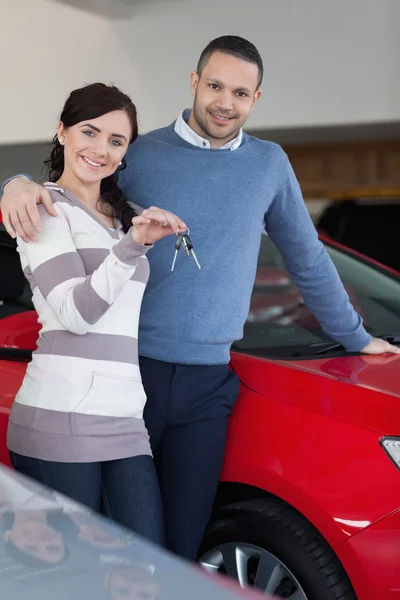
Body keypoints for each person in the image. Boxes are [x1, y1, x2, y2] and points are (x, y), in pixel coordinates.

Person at [1, 35, 399, 562]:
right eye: (214, 85)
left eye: (240, 92)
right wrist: (15, 181)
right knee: (108, 553)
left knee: (180, 550)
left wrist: (354, 337)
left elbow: (307, 257)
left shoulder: (269, 165)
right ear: (194, 82)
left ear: (255, 100)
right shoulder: (137, 152)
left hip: (208, 384)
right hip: (127, 374)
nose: (224, 102)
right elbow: (72, 192)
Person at [3, 82, 187, 547]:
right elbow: (75, 314)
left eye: (116, 141)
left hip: (125, 419)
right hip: (59, 418)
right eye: (90, 131)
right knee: (75, 580)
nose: (100, 150)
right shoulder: (43, 210)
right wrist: (134, 246)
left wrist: (134, 237)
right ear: (62, 131)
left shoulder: (126, 217)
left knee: (144, 567)